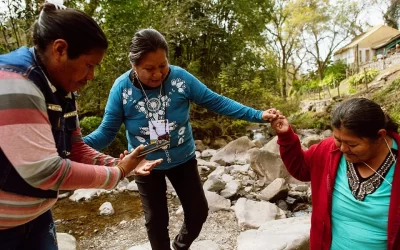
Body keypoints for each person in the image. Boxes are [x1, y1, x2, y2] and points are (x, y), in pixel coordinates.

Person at [83, 28, 281, 250]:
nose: (158, 74)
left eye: (162, 65)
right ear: (134, 66)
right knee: (156, 221)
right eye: (149, 69)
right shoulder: (121, 89)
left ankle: (180, 246)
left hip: (183, 158)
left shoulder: (181, 79)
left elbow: (218, 102)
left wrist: (258, 115)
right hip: (145, 164)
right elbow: (106, 133)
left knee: (198, 212)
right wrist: (69, 147)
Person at [0, 3, 162, 250]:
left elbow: (76, 149)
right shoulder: (16, 82)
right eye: (89, 65)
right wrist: (117, 174)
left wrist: (121, 164)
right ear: (60, 49)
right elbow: (45, 172)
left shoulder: (62, 89)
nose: (91, 76)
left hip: (38, 219)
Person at [270, 97, 400, 250]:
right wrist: (286, 135)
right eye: (338, 139)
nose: (343, 148)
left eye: (352, 144)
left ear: (379, 136)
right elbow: (301, 169)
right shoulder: (329, 149)